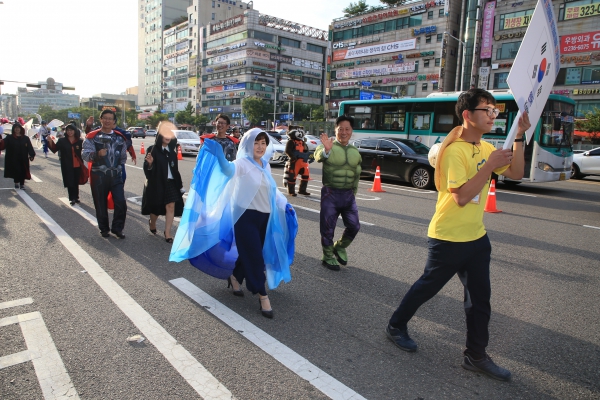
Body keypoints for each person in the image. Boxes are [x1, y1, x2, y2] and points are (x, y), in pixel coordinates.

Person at [385, 89, 531, 382]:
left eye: (494, 111)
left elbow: (516, 172)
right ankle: (396, 325)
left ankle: (475, 356)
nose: (492, 116)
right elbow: (462, 196)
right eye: (486, 110)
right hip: (448, 238)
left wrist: (519, 137)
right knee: (427, 287)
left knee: (480, 300)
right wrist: (489, 168)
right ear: (467, 115)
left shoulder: (487, 148)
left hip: (476, 239)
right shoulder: (454, 151)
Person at [169, 128, 298, 319]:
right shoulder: (242, 164)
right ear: (248, 144)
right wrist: (220, 156)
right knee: (255, 257)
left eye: (263, 143)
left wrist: (285, 205)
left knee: (251, 252)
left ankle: (236, 276)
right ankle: (262, 295)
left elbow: (273, 191)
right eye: (256, 142)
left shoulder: (265, 165)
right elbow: (227, 170)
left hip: (264, 219)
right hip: (245, 219)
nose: (260, 146)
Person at [316, 115, 362, 271]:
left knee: (354, 226)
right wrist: (326, 151)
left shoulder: (355, 151)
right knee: (328, 227)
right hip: (331, 193)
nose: (344, 132)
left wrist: (353, 193)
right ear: (335, 130)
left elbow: (357, 174)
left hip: (348, 195)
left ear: (351, 131)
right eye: (340, 129)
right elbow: (318, 157)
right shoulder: (327, 145)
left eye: (347, 129)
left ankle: (340, 246)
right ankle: (327, 256)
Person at [82, 109, 128, 239]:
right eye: (105, 118)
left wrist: (118, 168)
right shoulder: (92, 137)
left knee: (120, 202)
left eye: (110, 118)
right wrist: (97, 154)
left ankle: (117, 228)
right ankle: (104, 228)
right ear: (101, 119)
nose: (107, 121)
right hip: (99, 176)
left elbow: (123, 156)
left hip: (116, 176)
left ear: (114, 121)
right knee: (100, 203)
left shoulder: (120, 137)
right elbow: (85, 155)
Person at [142, 125, 184, 243]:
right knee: (156, 209)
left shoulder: (172, 152)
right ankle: (152, 222)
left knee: (170, 207)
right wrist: (150, 164)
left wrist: (180, 185)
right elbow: (147, 169)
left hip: (171, 183)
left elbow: (175, 170)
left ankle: (168, 233)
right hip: (157, 183)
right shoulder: (153, 149)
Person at [46, 124, 85, 205]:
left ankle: (76, 197)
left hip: (77, 164)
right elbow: (54, 149)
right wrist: (50, 141)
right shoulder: (62, 141)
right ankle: (72, 198)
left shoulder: (80, 141)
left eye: (71, 130)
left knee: (75, 181)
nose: (70, 132)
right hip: (67, 164)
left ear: (75, 131)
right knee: (70, 181)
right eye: (68, 130)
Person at [0, 122, 36, 189]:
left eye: (18, 128)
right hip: (13, 158)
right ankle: (16, 182)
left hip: (23, 157)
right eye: (15, 128)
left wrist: (31, 154)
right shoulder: (9, 137)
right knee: (16, 170)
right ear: (13, 129)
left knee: (23, 170)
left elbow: (29, 147)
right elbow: (3, 143)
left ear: (21, 129)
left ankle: (22, 184)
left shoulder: (25, 138)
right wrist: (1, 142)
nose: (17, 129)